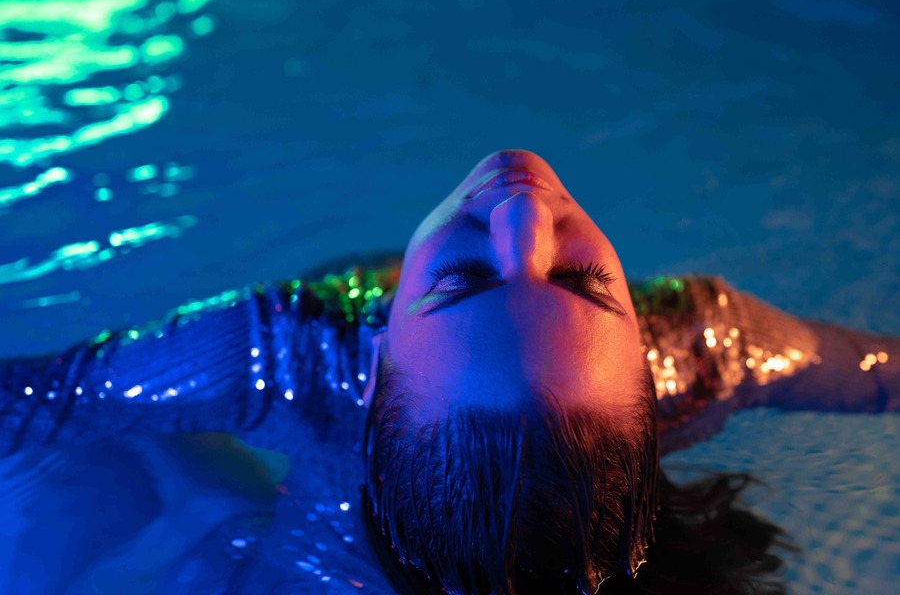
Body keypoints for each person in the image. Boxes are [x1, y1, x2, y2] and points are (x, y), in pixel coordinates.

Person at [0, 150, 896, 594]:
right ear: (655, 373)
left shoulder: (291, 351)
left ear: (372, 367)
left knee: (99, 483)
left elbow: (28, 405)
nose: (522, 219)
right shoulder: (706, 347)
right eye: (582, 284)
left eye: (464, 283)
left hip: (334, 568)